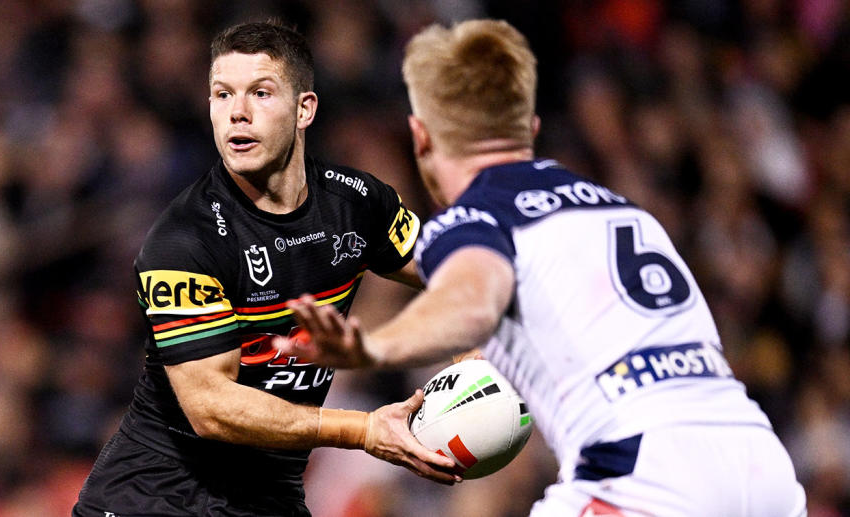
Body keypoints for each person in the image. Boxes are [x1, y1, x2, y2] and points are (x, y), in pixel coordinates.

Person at [275, 19, 808, 517]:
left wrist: (374, 347)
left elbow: (471, 298)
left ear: (421, 137)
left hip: (641, 473)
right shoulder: (623, 209)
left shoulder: (472, 220)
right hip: (762, 464)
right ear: (528, 127)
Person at [72, 20, 458, 517]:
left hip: (268, 499)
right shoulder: (183, 240)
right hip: (152, 499)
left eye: (260, 92)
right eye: (222, 94)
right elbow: (211, 406)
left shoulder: (358, 204)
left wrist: (471, 347)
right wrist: (362, 430)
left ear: (304, 109)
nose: (238, 112)